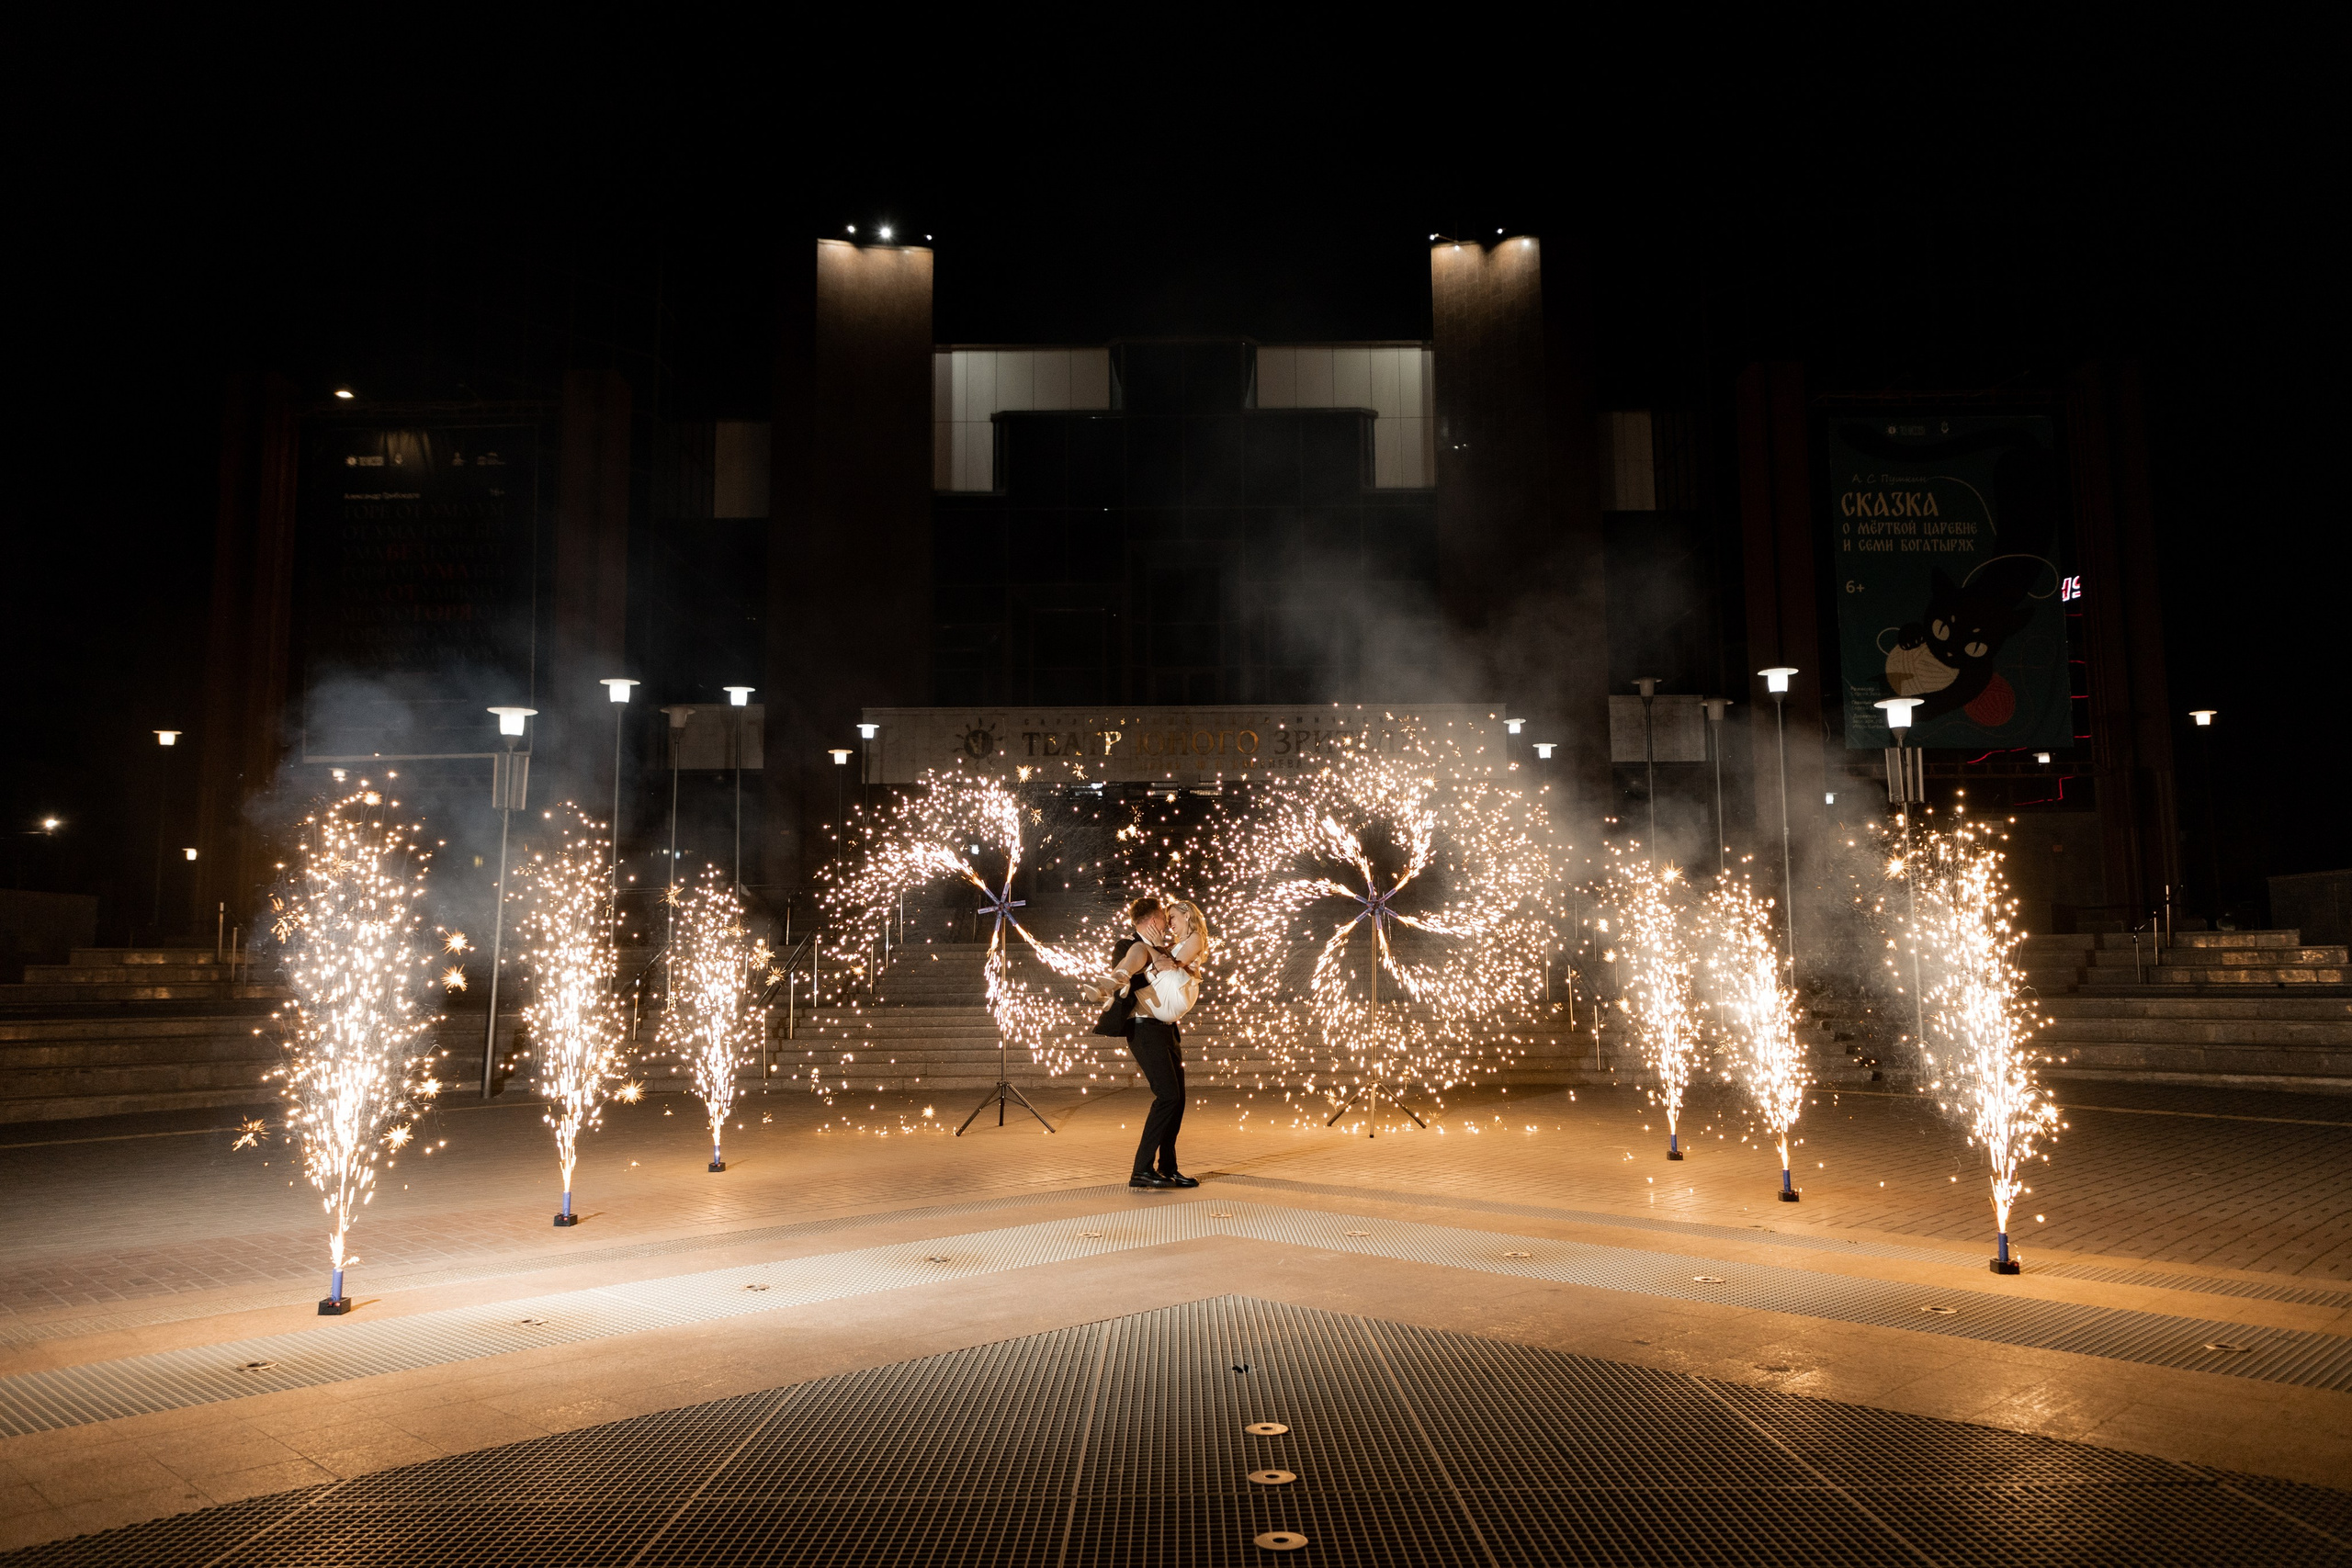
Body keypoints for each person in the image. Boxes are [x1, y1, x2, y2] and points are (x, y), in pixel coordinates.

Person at [1090, 896, 1196, 1190]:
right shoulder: (1127, 946)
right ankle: (1142, 1169)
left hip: (1167, 1031)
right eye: (1164, 918)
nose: (1167, 924)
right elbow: (1130, 983)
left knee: (1178, 1100)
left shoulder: (1164, 949)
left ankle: (1169, 1168)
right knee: (1167, 1097)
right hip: (1144, 1031)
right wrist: (1153, 960)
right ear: (1152, 920)